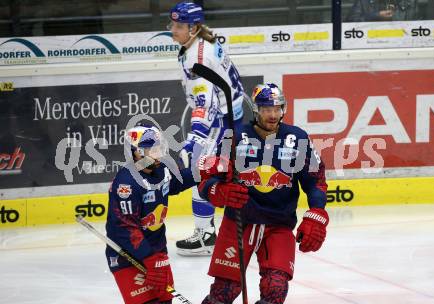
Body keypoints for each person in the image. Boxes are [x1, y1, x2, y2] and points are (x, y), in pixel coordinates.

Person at [197, 83, 330, 304]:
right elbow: (206, 180)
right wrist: (218, 191)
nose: (273, 114)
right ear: (257, 110)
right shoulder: (235, 137)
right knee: (224, 292)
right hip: (239, 223)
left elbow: (316, 181)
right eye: (267, 109)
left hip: (278, 225)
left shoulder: (297, 139)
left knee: (275, 289)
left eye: (277, 108)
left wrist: (317, 213)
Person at [168, 2, 246, 256]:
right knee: (212, 172)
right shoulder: (202, 41)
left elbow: (206, 104)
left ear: (194, 27)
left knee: (199, 170)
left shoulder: (197, 57)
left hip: (221, 120)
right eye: (173, 24)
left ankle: (206, 235)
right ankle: (211, 231)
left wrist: (195, 138)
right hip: (229, 114)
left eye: (179, 26)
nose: (173, 30)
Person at [105, 124, 197, 304]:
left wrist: (207, 170)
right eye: (150, 149)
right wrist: (148, 257)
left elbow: (178, 181)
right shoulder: (127, 184)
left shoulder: (161, 169)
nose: (157, 153)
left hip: (157, 252)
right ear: (135, 152)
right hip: (127, 258)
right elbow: (126, 229)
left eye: (158, 147)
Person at [346, 0, 418, 21]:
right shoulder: (364, 2)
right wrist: (375, 16)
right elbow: (350, 22)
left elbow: (417, 24)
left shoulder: (408, 2)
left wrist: (395, 16)